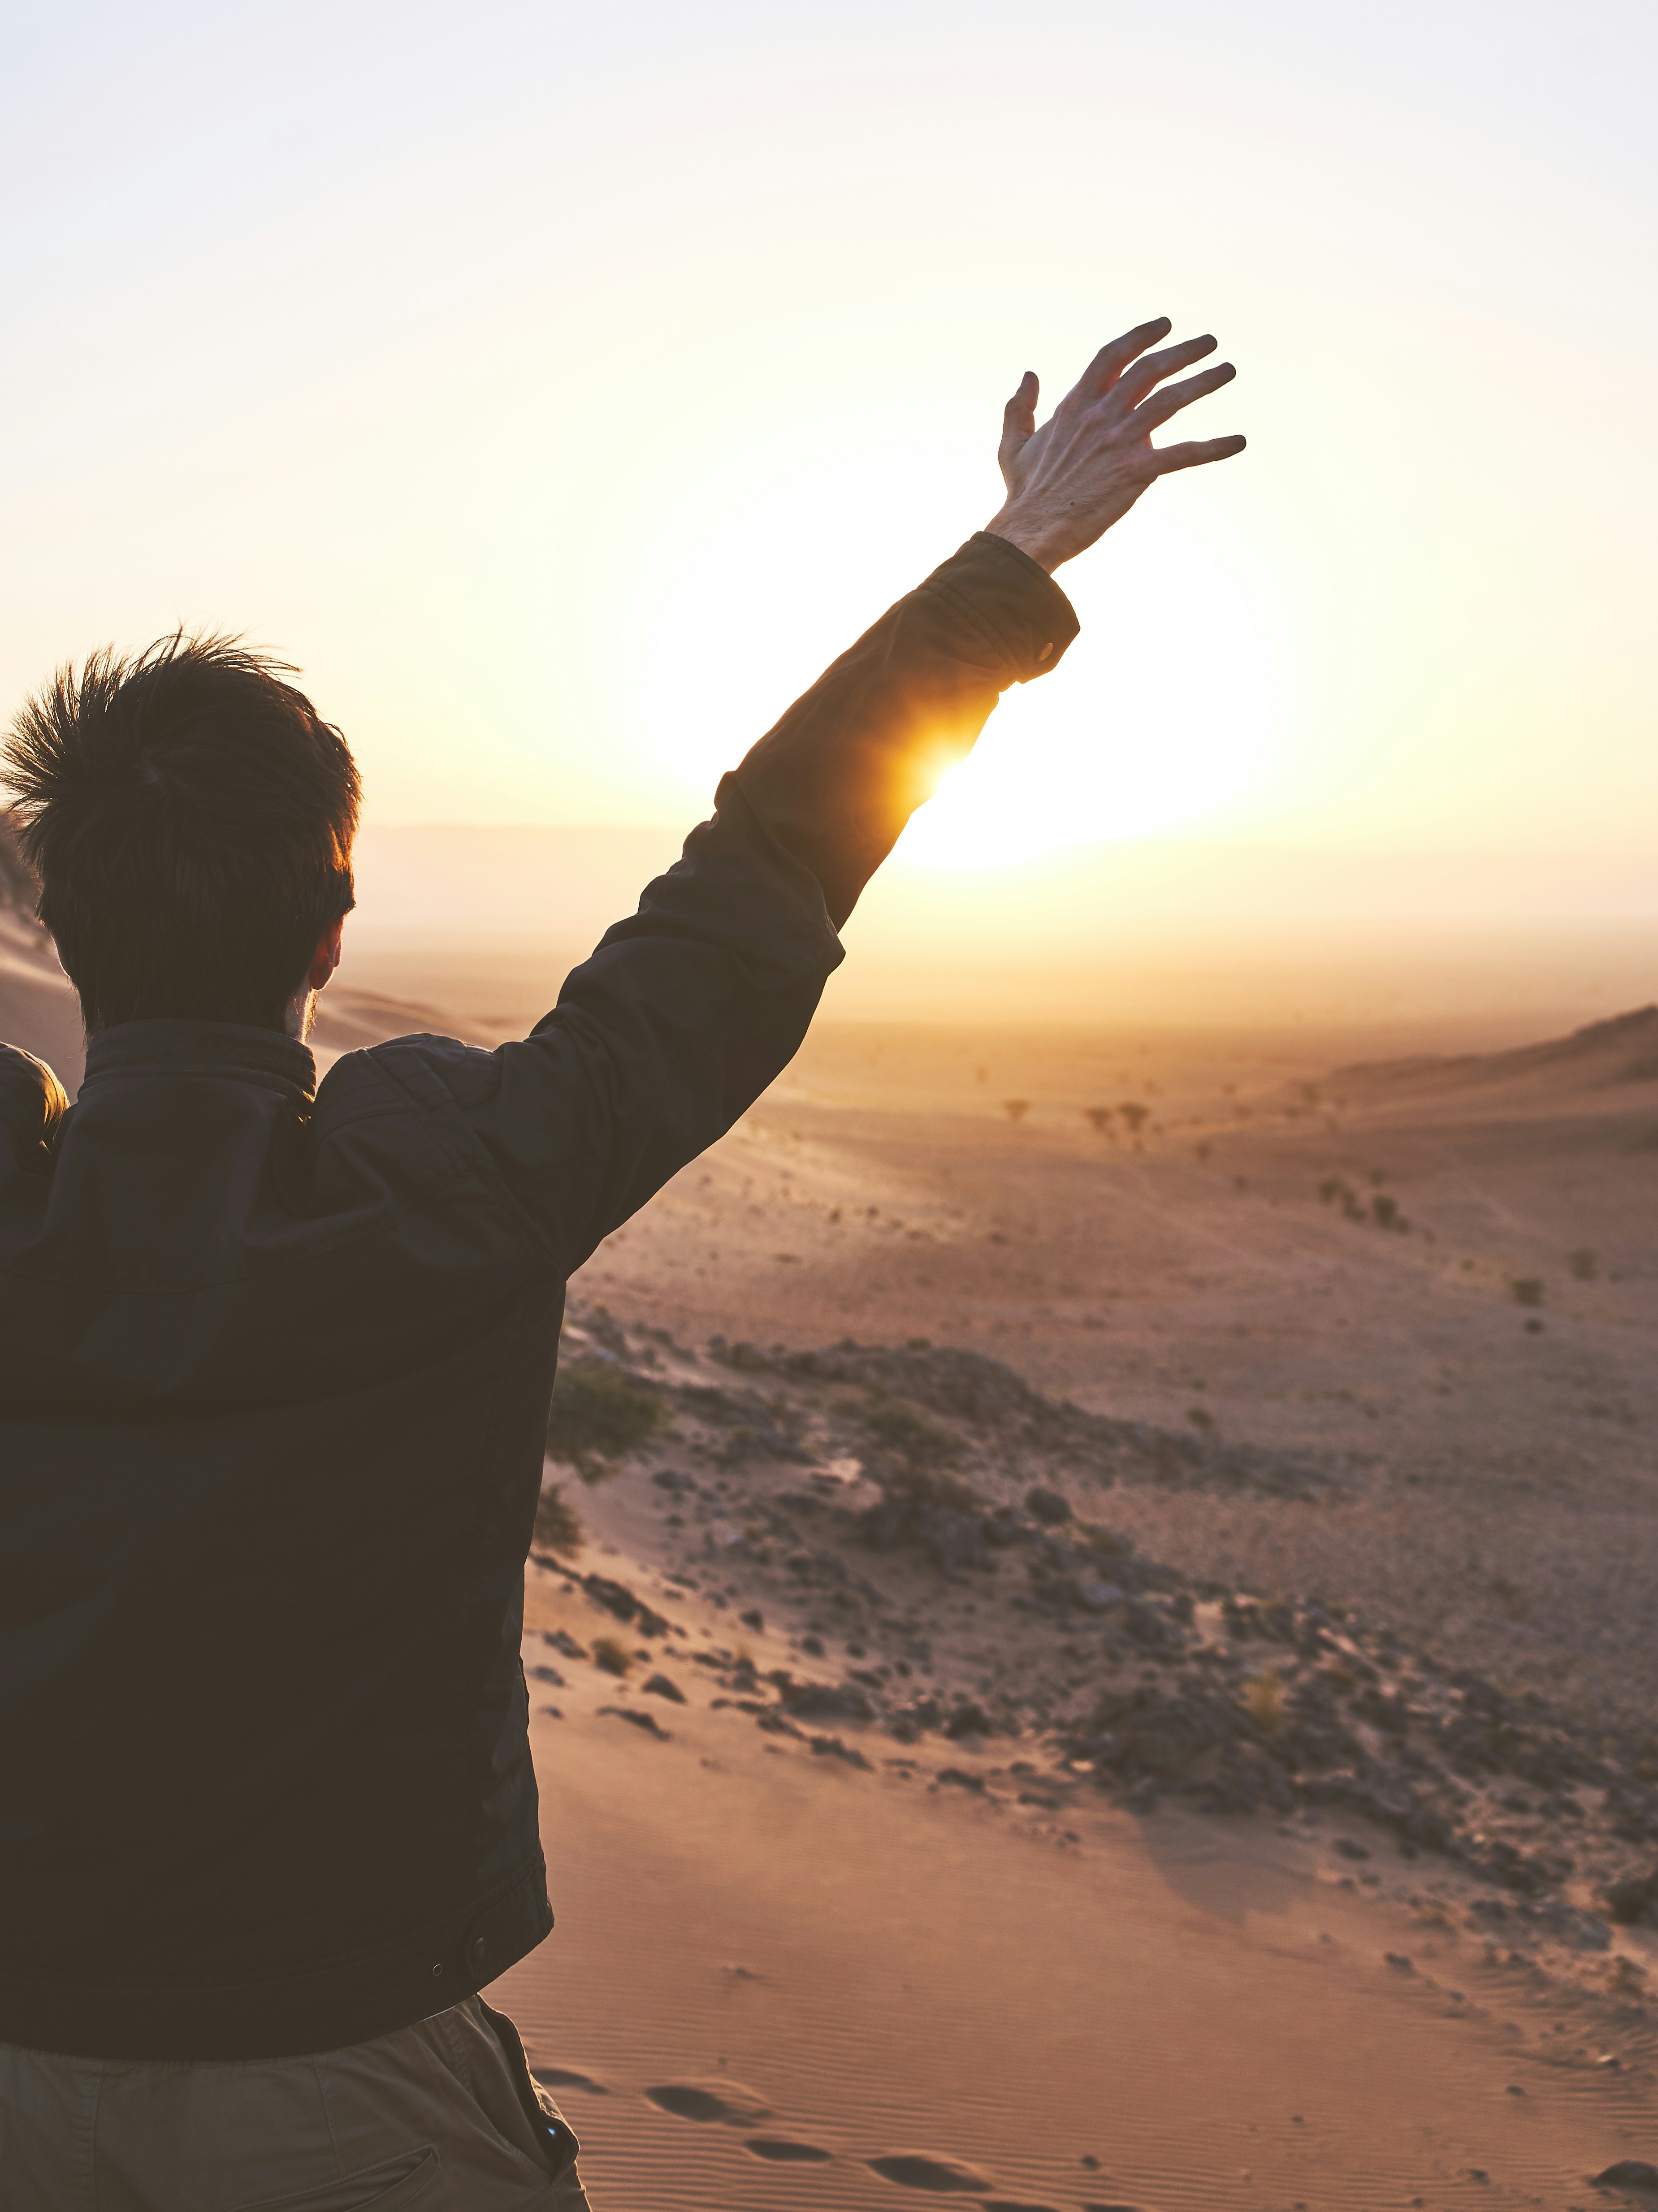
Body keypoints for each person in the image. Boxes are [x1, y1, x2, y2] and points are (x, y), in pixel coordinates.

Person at [0, 320, 1241, 2210]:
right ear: (334, 924)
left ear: (54, 917)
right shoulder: (461, 1182)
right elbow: (755, 885)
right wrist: (1012, 560)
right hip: (341, 2070)